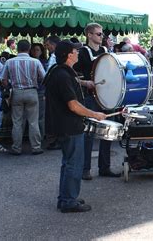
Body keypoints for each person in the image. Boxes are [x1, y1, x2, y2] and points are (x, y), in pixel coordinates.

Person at [45, 40, 107, 213]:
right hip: (69, 125)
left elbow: (70, 84)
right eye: (75, 51)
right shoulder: (63, 75)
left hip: (64, 125)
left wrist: (84, 82)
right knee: (74, 164)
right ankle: (68, 201)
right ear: (69, 54)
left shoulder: (60, 71)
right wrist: (95, 114)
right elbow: (73, 105)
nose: (78, 53)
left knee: (68, 163)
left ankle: (66, 197)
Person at [74, 23, 120, 179]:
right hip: (90, 96)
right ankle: (85, 169)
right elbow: (71, 74)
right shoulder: (82, 52)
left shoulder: (105, 51)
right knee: (89, 134)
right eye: (99, 34)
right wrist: (85, 82)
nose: (102, 37)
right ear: (89, 35)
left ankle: (104, 167)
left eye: (102, 34)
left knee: (108, 132)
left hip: (107, 97)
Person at [1, 39, 46, 155]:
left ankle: (16, 148)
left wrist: (9, 86)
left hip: (16, 93)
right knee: (33, 121)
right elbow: (44, 77)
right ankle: (36, 147)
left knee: (17, 122)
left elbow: (3, 80)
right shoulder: (35, 62)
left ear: (17, 48)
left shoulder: (10, 62)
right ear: (29, 48)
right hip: (32, 92)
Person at [30, 43, 48, 140]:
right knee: (32, 116)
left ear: (41, 51)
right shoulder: (30, 61)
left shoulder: (45, 62)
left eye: (37, 50)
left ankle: (41, 135)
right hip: (33, 90)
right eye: (33, 50)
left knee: (41, 116)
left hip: (41, 91)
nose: (35, 52)